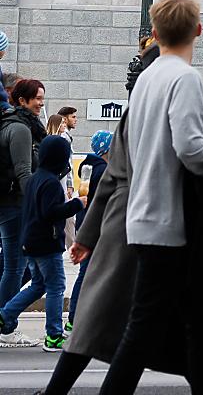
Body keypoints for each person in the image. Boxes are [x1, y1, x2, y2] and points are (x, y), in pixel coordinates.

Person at [96, 0, 203, 395]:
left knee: (195, 326)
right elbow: (189, 148)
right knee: (149, 328)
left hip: (144, 215)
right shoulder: (185, 78)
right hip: (173, 223)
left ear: (154, 34)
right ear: (198, 31)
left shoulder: (146, 79)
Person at [0, 135, 84, 352]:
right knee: (56, 286)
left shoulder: (35, 179)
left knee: (38, 285)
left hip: (30, 242)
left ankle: (4, 315)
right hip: (47, 244)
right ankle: (54, 335)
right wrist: (77, 204)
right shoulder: (51, 184)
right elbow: (51, 212)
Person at [0, 79, 39, 347]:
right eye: (37, 98)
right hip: (16, 204)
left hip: (7, 202)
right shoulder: (20, 129)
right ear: (21, 100)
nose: (41, 104)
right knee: (16, 267)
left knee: (11, 266)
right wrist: (38, 205)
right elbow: (24, 172)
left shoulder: (6, 123)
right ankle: (7, 327)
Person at [65, 131, 112, 332]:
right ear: (107, 149)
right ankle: (76, 320)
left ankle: (79, 319)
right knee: (89, 275)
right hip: (97, 228)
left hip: (87, 225)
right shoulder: (103, 172)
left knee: (90, 275)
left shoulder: (88, 168)